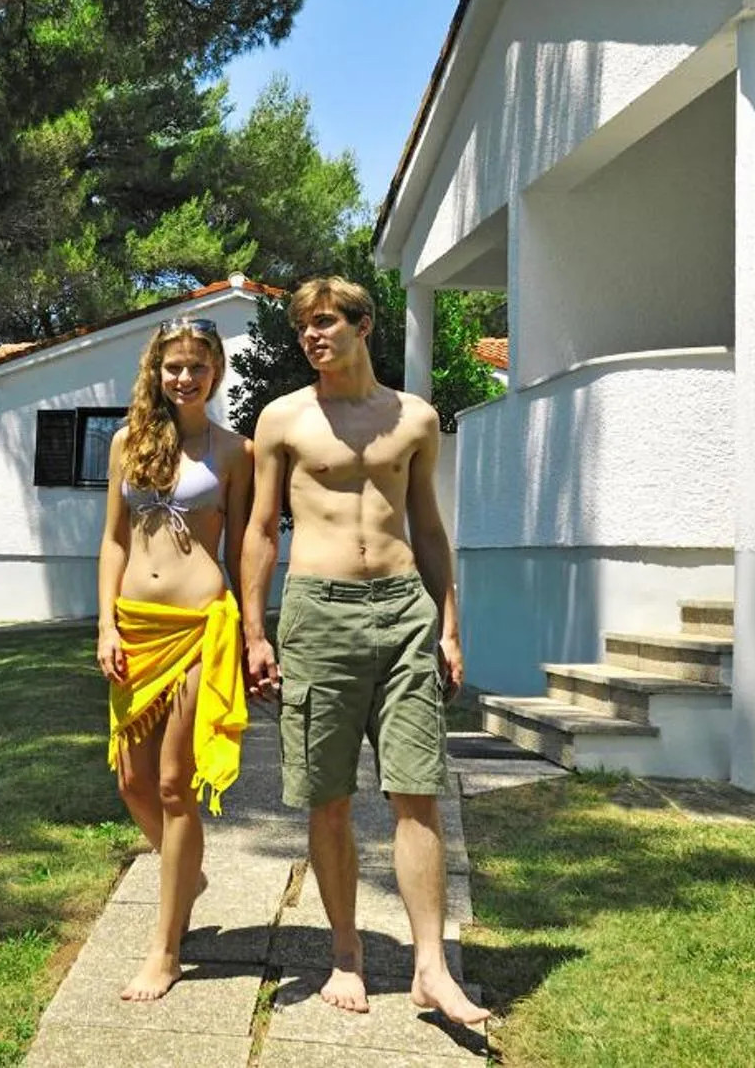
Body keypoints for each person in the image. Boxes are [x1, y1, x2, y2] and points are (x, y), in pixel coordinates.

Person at [239, 276, 492, 1028]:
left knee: (417, 789)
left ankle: (430, 967)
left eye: (325, 323)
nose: (312, 336)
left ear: (363, 325)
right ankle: (345, 951)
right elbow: (259, 530)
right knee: (329, 794)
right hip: (318, 613)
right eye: (303, 328)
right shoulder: (283, 418)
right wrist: (255, 629)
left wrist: (448, 621)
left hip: (405, 608)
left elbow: (429, 528)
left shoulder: (414, 418)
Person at [96, 314, 254, 1002]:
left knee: (171, 784)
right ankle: (185, 872)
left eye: (196, 366)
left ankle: (165, 948)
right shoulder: (128, 442)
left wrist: (254, 631)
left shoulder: (233, 450)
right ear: (156, 371)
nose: (184, 377)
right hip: (135, 627)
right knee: (132, 782)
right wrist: (105, 622)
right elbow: (113, 541)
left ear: (214, 371)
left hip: (198, 626)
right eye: (173, 366)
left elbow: (246, 542)